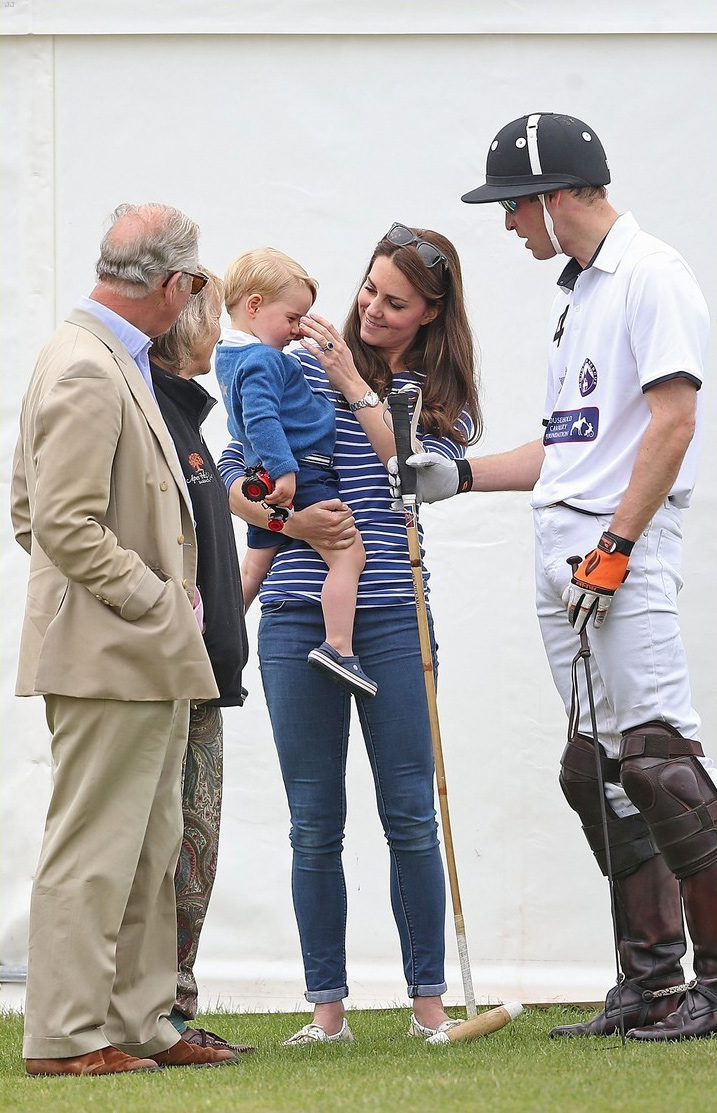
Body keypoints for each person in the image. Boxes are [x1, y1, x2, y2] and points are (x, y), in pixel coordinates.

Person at [398, 112, 717, 1040]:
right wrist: (459, 474)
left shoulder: (649, 275)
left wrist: (617, 543)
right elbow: (569, 447)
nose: (507, 226)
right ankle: (650, 984)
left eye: (511, 207)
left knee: (662, 760)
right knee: (600, 769)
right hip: (565, 550)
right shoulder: (575, 293)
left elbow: (671, 423)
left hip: (617, 548)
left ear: (549, 195)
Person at [217, 223, 482, 1044]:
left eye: (394, 302)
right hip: (299, 614)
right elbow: (230, 472)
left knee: (408, 812)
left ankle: (427, 1006)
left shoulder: (440, 400)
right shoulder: (289, 358)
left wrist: (357, 387)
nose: (369, 309)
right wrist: (288, 518)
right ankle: (325, 1011)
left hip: (396, 614)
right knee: (312, 819)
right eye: (368, 289)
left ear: (431, 315)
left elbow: (412, 475)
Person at [11, 203, 238, 1074]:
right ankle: (65, 1036)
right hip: (112, 652)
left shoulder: (111, 358)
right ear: (176, 286)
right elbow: (55, 522)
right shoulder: (86, 366)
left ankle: (139, 1021)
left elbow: (38, 512)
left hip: (140, 653)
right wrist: (154, 597)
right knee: (95, 849)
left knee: (148, 847)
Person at [148, 268, 253, 1056]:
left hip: (204, 677)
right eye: (212, 318)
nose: (220, 334)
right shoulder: (152, 408)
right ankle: (156, 1012)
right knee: (169, 848)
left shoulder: (187, 417)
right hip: (167, 676)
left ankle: (172, 1007)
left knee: (196, 844)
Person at [215, 247, 375, 698]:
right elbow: (262, 418)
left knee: (253, 569)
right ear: (253, 306)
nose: (296, 330)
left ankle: (212, 646)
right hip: (301, 473)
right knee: (349, 556)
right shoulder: (265, 359)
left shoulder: (227, 357)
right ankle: (339, 646)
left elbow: (248, 420)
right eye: (292, 317)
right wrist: (285, 473)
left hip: (264, 470)